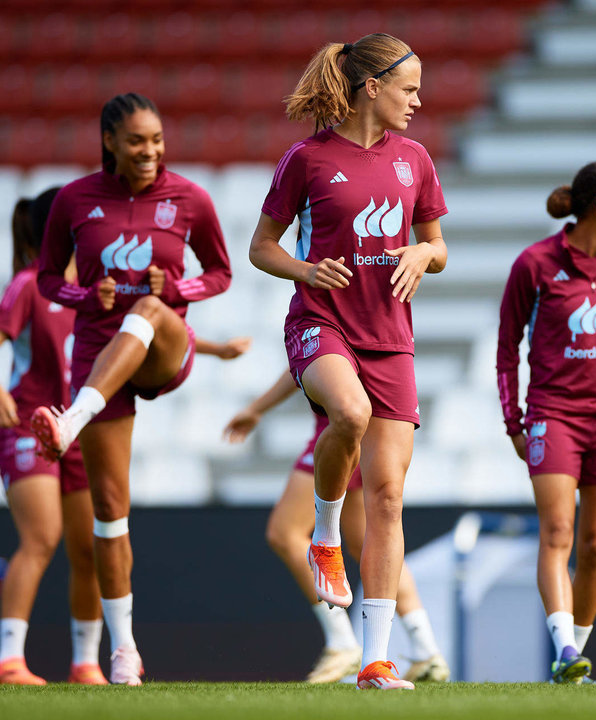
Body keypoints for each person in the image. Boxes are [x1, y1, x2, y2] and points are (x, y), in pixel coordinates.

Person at [248, 34, 447, 690]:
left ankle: (374, 661)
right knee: (350, 412)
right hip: (321, 322)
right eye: (408, 88)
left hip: (391, 337)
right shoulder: (306, 159)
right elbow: (261, 247)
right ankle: (326, 538)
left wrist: (423, 255)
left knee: (388, 499)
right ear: (372, 87)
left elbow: (436, 245)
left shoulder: (415, 159)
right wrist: (308, 270)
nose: (417, 101)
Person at [30, 93, 232, 685]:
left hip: (163, 346)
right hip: (99, 354)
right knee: (109, 514)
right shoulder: (74, 200)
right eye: (138, 141)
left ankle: (70, 420)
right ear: (110, 142)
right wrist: (87, 297)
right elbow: (48, 279)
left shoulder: (190, 198)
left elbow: (219, 273)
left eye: (157, 140)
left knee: (146, 304)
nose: (151, 152)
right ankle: (123, 653)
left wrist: (176, 290)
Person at [496, 162, 596, 684]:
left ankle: (574, 660)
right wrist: (513, 420)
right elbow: (506, 349)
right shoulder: (535, 263)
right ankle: (565, 649)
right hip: (553, 415)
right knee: (559, 532)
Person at [223, 371, 450, 684]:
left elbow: (309, 356)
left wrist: (256, 408)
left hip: (340, 430)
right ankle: (426, 648)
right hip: (368, 424)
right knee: (363, 540)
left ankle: (342, 640)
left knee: (285, 531)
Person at [0, 188, 106, 685]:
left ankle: (86, 663)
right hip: (28, 426)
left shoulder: (94, 291)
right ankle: (7, 661)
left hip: (76, 429)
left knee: (89, 547)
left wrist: (215, 351)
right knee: (41, 537)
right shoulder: (30, 285)